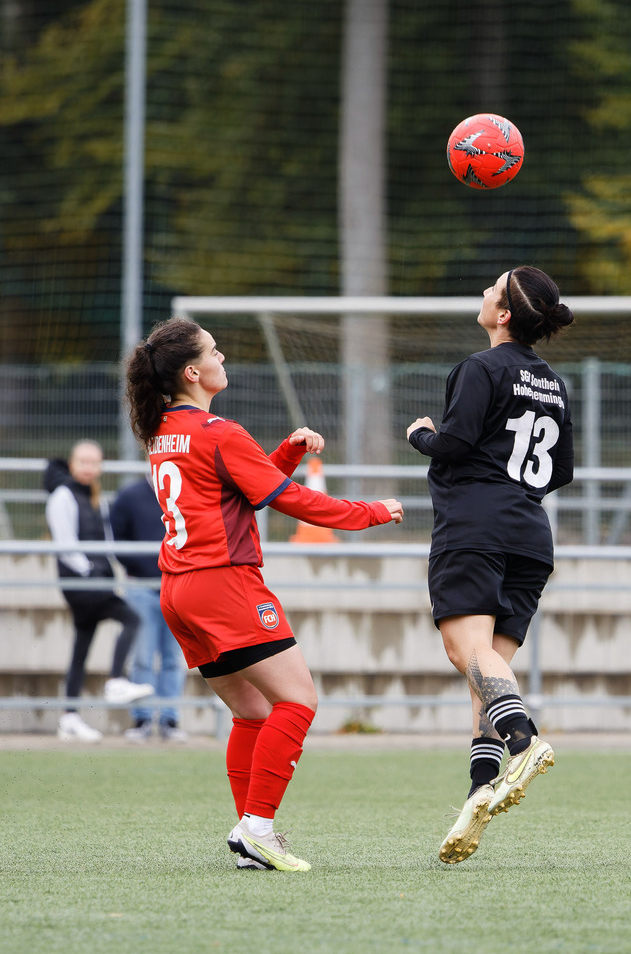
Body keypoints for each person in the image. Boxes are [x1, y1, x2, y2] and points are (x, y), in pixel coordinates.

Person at [125, 316, 403, 871]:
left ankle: (252, 839)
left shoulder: (165, 433)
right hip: (224, 583)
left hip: (179, 590)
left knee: (252, 713)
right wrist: (372, 512)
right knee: (298, 701)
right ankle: (258, 828)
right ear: (193, 372)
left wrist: (286, 452)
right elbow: (292, 502)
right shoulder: (218, 432)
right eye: (215, 353)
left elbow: (237, 495)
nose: (223, 358)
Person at [406, 265, 574, 864]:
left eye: (491, 289)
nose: (482, 293)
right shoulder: (552, 382)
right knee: (491, 662)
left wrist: (421, 434)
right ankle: (480, 791)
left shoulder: (479, 368)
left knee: (465, 652)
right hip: (530, 532)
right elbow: (562, 472)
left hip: (475, 525)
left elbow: (451, 445)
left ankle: (523, 740)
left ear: (503, 315)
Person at [45, 440, 155, 743]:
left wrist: (107, 571)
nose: (88, 467)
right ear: (72, 463)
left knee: (81, 649)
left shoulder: (95, 496)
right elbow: (65, 544)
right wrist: (89, 570)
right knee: (132, 619)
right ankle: (116, 681)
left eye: (94, 462)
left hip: (96, 580)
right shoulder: (62, 496)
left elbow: (104, 540)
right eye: (83, 461)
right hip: (80, 584)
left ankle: (69, 718)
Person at [110, 475, 188, 743]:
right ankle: (142, 718)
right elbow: (118, 541)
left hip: (177, 587)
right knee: (142, 656)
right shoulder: (129, 496)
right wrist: (146, 568)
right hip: (142, 588)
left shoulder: (183, 492)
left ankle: (170, 719)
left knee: (172, 657)